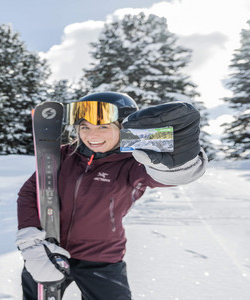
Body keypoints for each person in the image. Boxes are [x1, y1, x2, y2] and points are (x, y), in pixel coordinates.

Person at [15, 92, 208, 300]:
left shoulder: (134, 162)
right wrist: (32, 245)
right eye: (85, 127)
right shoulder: (61, 155)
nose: (92, 136)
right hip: (50, 252)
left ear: (122, 129)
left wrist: (182, 163)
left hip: (101, 257)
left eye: (103, 126)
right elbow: (29, 193)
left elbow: (165, 176)